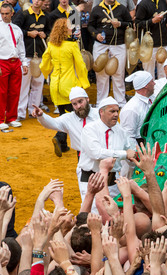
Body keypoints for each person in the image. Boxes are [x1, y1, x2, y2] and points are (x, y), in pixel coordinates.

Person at [31, 87, 100, 197]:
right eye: (74, 104)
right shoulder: (69, 118)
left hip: (102, 158)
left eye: (80, 101)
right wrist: (41, 116)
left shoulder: (100, 114)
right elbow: (53, 123)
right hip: (83, 159)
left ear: (87, 99)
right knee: (85, 192)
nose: (78, 106)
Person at [39, 17, 90, 157]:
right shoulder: (72, 45)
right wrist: (84, 83)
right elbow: (81, 65)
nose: (71, 28)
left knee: (63, 114)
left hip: (55, 83)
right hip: (69, 84)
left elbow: (44, 64)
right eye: (69, 26)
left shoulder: (51, 45)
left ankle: (63, 145)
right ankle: (60, 137)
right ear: (64, 29)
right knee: (73, 115)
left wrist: (47, 74)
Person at [78, 96, 135, 210]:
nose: (116, 114)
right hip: (91, 179)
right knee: (93, 213)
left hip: (112, 182)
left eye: (117, 111)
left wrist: (134, 158)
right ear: (101, 112)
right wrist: (124, 154)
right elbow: (96, 153)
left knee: (113, 214)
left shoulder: (121, 131)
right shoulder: (90, 129)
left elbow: (130, 153)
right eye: (112, 111)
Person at [87, 0, 133, 108]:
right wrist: (96, 34)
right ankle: (101, 103)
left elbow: (130, 23)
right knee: (101, 74)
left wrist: (120, 24)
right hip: (101, 45)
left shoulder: (121, 8)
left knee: (118, 73)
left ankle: (120, 102)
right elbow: (90, 26)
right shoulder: (97, 9)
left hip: (118, 45)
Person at [13, 0, 51, 121]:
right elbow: (14, 30)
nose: (37, 2)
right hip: (26, 55)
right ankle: (20, 112)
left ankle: (33, 110)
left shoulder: (46, 16)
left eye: (40, 0)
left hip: (40, 54)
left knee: (38, 83)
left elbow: (50, 31)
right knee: (24, 84)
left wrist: (46, 34)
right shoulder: (23, 14)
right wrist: (28, 33)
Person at [120, 70, 155, 178]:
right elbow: (127, 136)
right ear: (145, 86)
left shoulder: (151, 99)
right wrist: (136, 157)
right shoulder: (131, 109)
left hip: (147, 146)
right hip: (137, 151)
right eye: (151, 82)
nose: (154, 83)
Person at [0, 3, 28, 131]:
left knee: (15, 91)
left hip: (15, 62)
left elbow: (21, 47)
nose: (4, 16)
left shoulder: (17, 29)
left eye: (7, 13)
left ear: (12, 13)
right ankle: (0, 119)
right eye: (2, 13)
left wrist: (25, 63)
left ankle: (11, 117)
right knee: (2, 92)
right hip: (2, 62)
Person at [134, 0, 167, 80]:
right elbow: (138, 24)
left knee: (164, 74)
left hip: (164, 42)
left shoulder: (162, 2)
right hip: (148, 45)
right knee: (148, 74)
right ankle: (151, 92)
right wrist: (152, 21)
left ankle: (162, 92)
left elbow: (165, 21)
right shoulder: (143, 4)